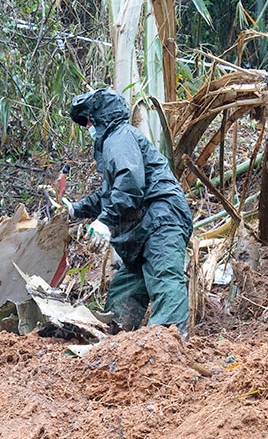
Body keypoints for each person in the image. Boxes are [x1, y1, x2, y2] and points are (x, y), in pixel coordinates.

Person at [65, 88, 194, 335]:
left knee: (165, 278)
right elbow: (110, 195)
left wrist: (106, 221)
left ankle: (167, 345)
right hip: (143, 230)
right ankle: (116, 341)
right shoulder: (116, 143)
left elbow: (130, 183)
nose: (88, 127)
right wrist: (75, 209)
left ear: (100, 117)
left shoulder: (119, 137)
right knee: (124, 292)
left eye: (89, 120)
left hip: (160, 220)